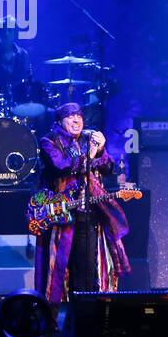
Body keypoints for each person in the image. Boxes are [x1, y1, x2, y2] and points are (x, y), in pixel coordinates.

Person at [33, 103, 130, 305]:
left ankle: (82, 315)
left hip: (88, 212)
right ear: (60, 121)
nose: (77, 120)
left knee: (86, 267)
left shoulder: (88, 139)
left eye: (79, 116)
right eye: (71, 117)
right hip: (61, 215)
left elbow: (109, 168)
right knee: (57, 267)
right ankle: (51, 319)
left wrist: (101, 149)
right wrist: (91, 156)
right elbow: (61, 166)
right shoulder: (48, 141)